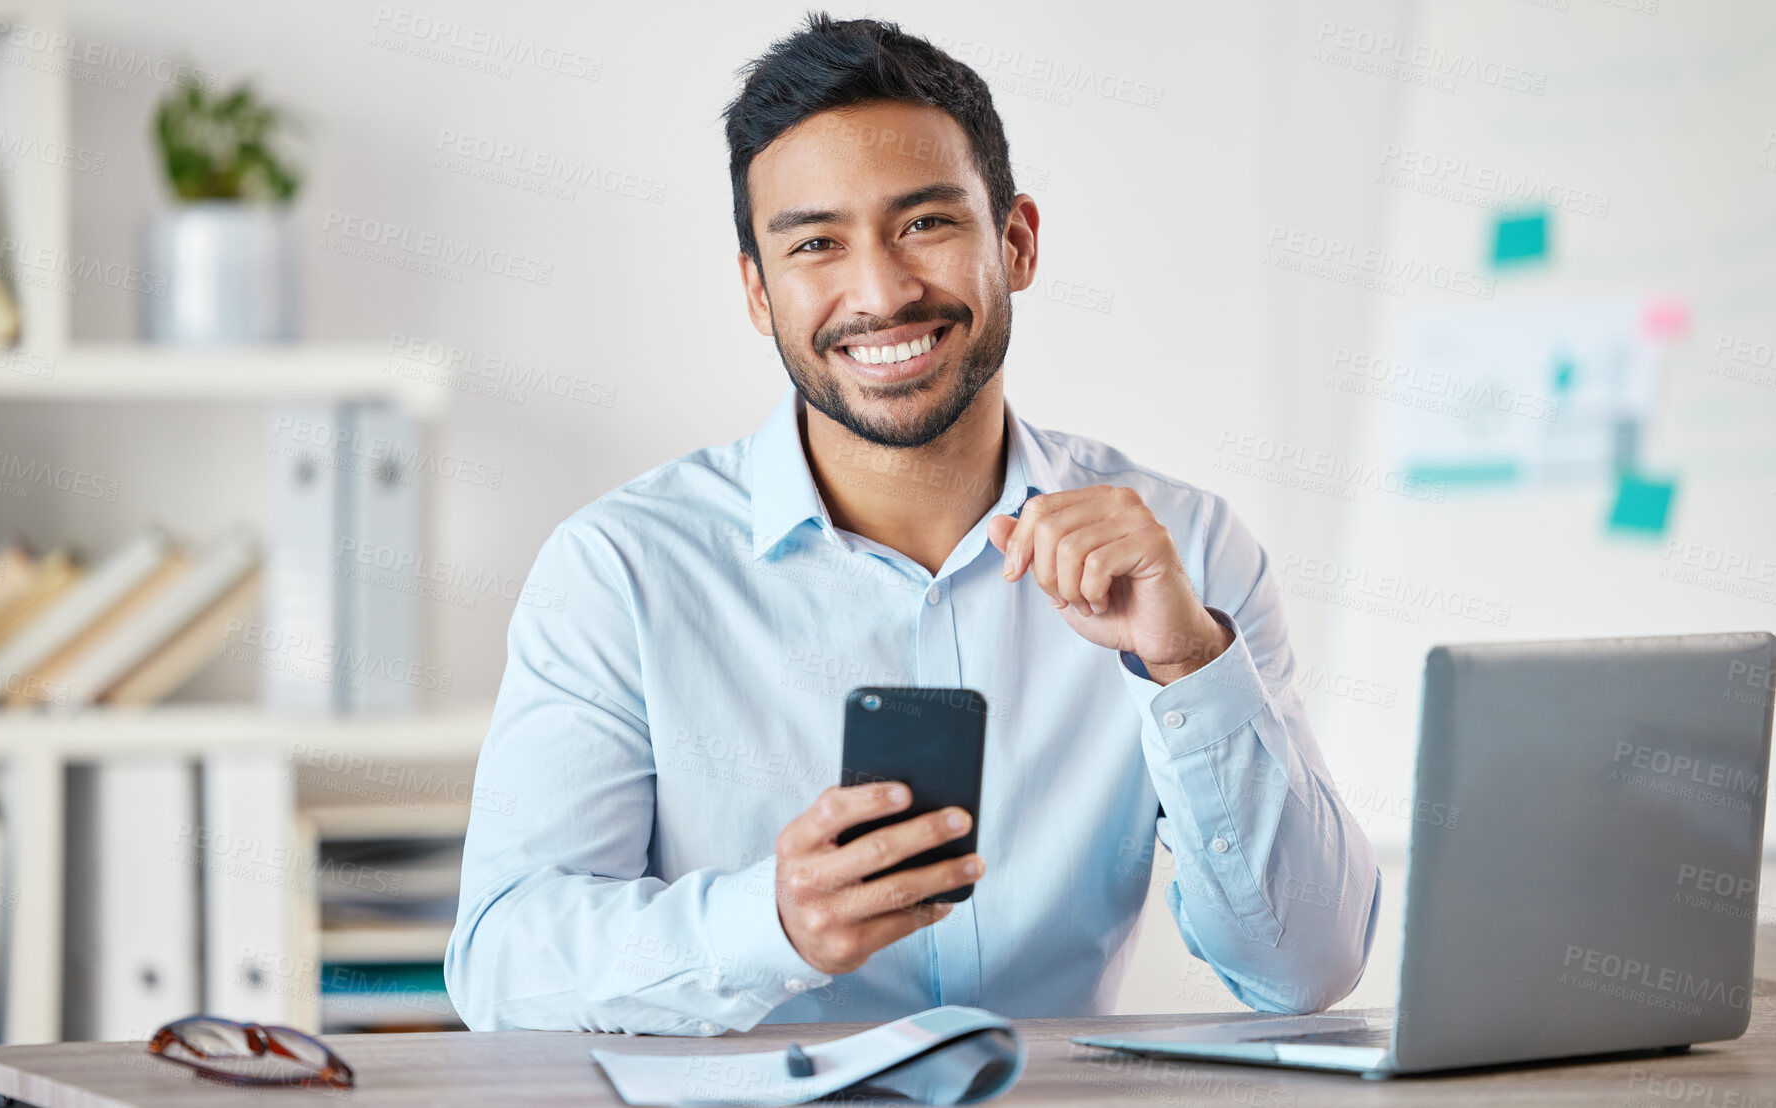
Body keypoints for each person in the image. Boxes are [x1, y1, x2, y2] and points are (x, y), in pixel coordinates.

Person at [446, 12, 1380, 1035]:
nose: (882, 292)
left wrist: (1191, 665)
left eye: (925, 224)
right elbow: (500, 964)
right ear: (757, 290)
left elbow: (1305, 969)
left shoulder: (1183, 553)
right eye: (814, 243)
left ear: (1014, 242)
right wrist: (770, 922)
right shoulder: (619, 572)